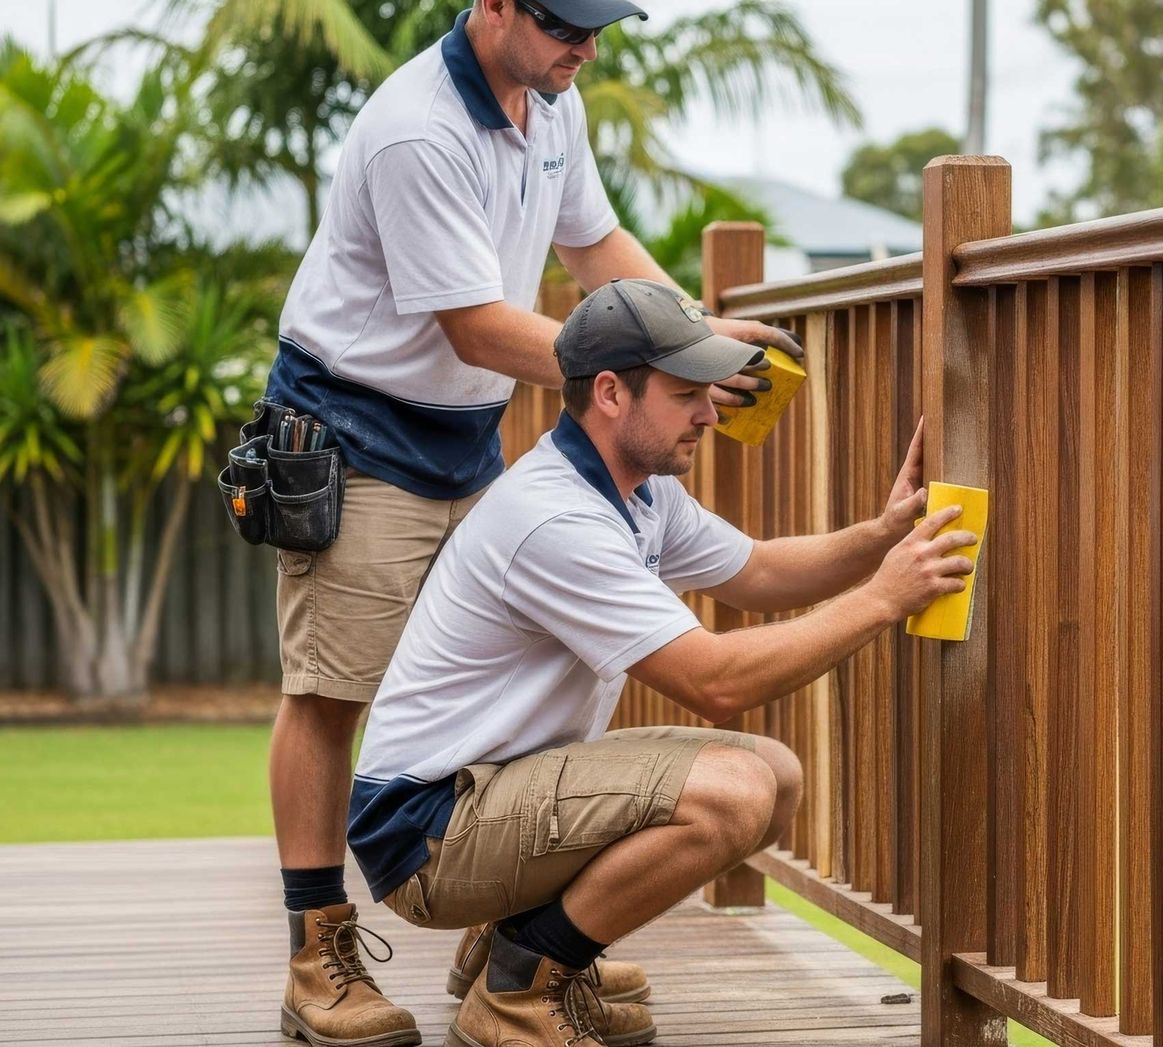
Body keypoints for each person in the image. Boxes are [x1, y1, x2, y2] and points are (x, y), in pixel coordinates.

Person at [260, 1, 801, 1043]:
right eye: (567, 23)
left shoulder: (551, 98)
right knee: (332, 690)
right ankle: (314, 953)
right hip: (356, 427)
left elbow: (595, 244)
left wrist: (686, 335)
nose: (587, 49)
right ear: (493, 3)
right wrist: (637, 365)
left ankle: (512, 932)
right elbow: (471, 322)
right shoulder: (420, 126)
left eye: (601, 28)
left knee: (507, 671)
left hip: (465, 425)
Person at [345, 279, 976, 1047]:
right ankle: (520, 984)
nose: (711, 413)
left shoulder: (636, 490)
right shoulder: (556, 517)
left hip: (483, 794)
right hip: (428, 829)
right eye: (688, 395)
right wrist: (883, 598)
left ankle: (523, 946)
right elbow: (717, 681)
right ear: (610, 393)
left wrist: (882, 535)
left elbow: (760, 572)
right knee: (732, 792)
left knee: (773, 772)